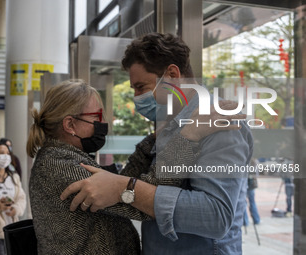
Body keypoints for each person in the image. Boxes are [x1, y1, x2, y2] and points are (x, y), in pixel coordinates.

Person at [61, 33, 253, 255]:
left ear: (172, 75)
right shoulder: (173, 124)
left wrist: (125, 188)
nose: (137, 98)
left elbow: (216, 216)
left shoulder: (217, 122)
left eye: (141, 87)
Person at [27, 80, 240, 255]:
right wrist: (188, 137)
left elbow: (120, 187)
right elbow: (140, 199)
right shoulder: (62, 166)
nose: (103, 124)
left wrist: (153, 142)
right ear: (70, 125)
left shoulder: (64, 156)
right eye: (97, 117)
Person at [243, 158, 260, 226]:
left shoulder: (244, 159)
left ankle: (245, 221)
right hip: (251, 184)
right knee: (252, 202)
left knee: (244, 203)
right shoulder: (254, 161)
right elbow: (256, 174)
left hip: (245, 183)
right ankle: (256, 220)